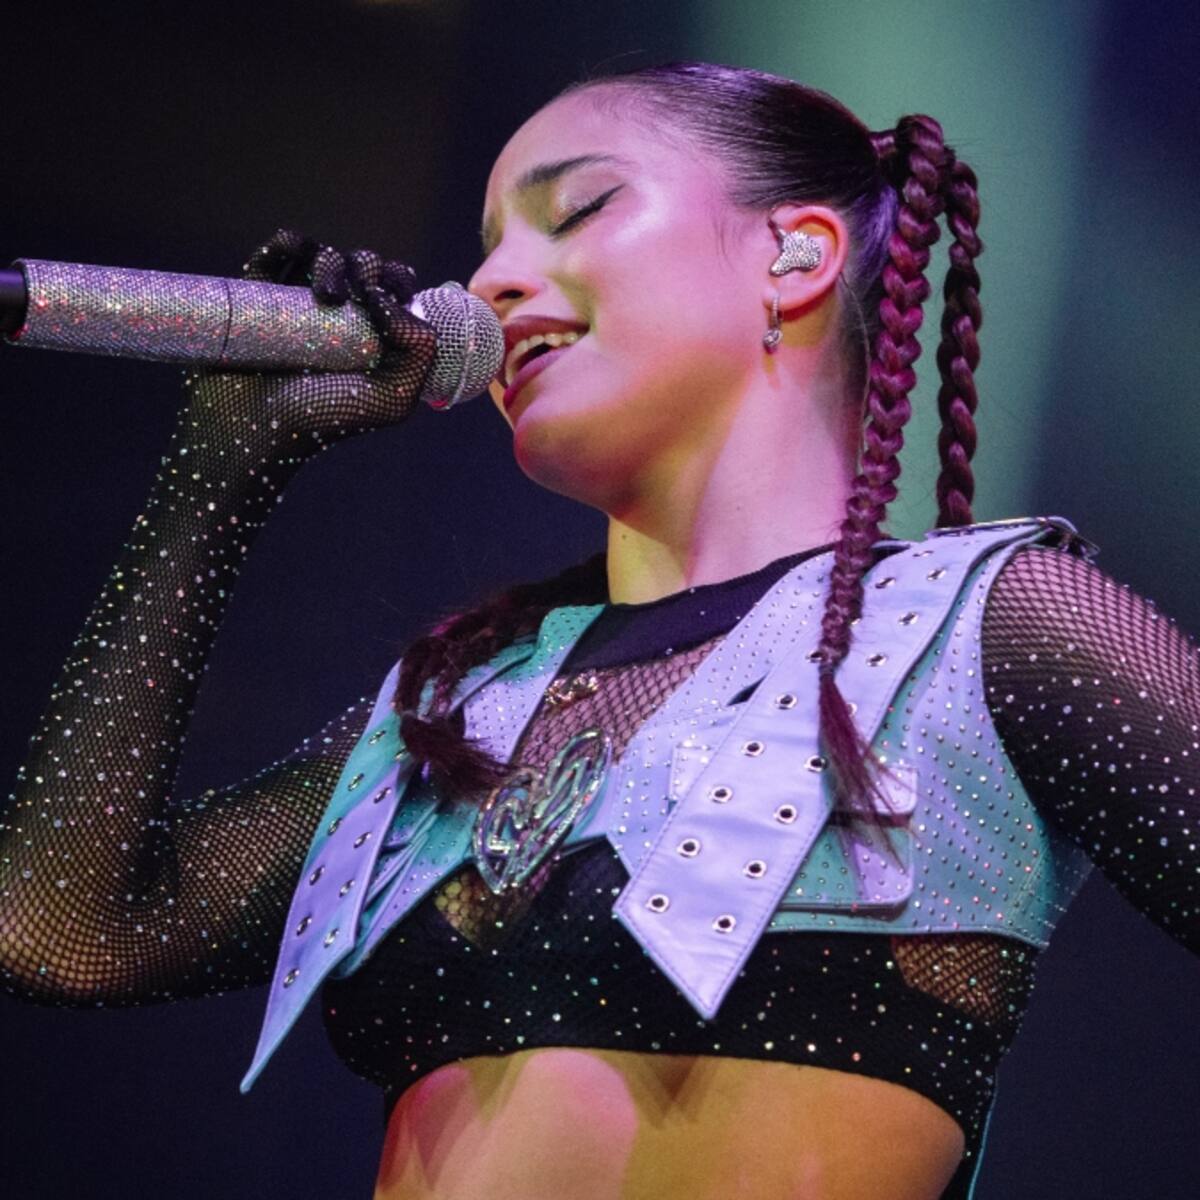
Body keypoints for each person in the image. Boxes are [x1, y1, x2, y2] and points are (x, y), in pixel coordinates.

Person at [1, 60, 1196, 1200]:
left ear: (794, 254)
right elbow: (65, 930)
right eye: (487, 248)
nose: (487, 286)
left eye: (575, 211)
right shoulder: (462, 699)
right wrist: (221, 468)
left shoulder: (986, 628)